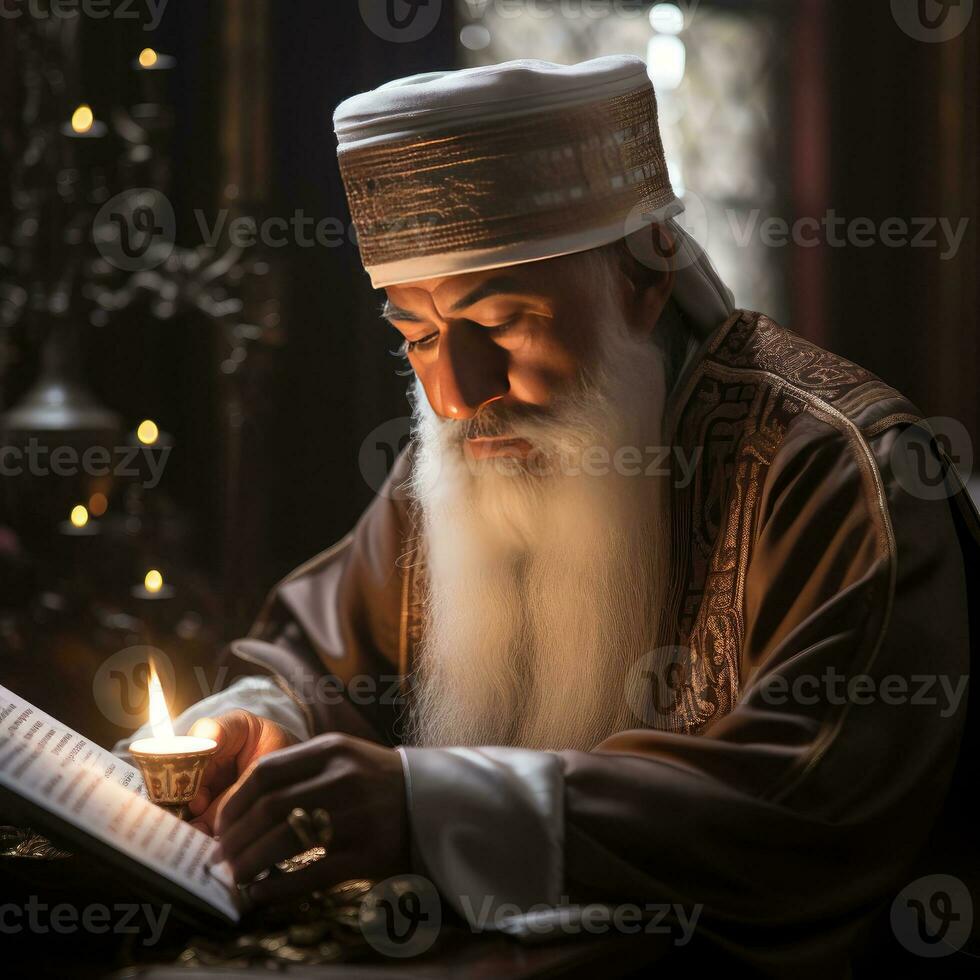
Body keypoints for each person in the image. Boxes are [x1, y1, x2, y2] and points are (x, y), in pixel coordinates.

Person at [116, 56, 977, 973]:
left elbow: (808, 811)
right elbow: (318, 661)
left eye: (502, 322)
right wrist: (260, 721)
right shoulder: (466, 460)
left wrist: (428, 806)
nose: (454, 395)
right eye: (418, 336)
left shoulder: (840, 469)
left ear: (643, 278)